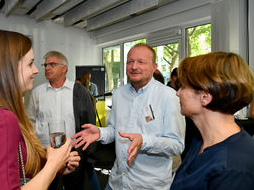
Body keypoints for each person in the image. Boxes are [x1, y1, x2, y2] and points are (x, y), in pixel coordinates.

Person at [0, 30, 80, 190]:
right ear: (7, 68)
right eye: (30, 63)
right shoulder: (1, 119)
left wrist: (56, 165)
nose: (36, 70)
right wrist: (53, 165)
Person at [72, 43, 185, 190]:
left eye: (141, 62)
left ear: (154, 66)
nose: (134, 66)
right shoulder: (119, 94)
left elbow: (177, 145)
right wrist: (100, 132)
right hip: (117, 181)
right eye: (130, 61)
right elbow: (115, 130)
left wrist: (144, 141)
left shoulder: (169, 97)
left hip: (148, 185)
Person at [171, 52, 254, 189]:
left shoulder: (233, 167)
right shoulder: (202, 140)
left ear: (205, 96)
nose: (177, 93)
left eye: (183, 86)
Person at [25, 51, 98, 190]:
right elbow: (29, 122)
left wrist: (87, 155)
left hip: (72, 154)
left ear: (64, 68)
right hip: (44, 154)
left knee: (74, 187)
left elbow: (89, 123)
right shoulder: (37, 92)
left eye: (52, 64)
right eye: (45, 65)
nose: (47, 68)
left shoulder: (78, 91)